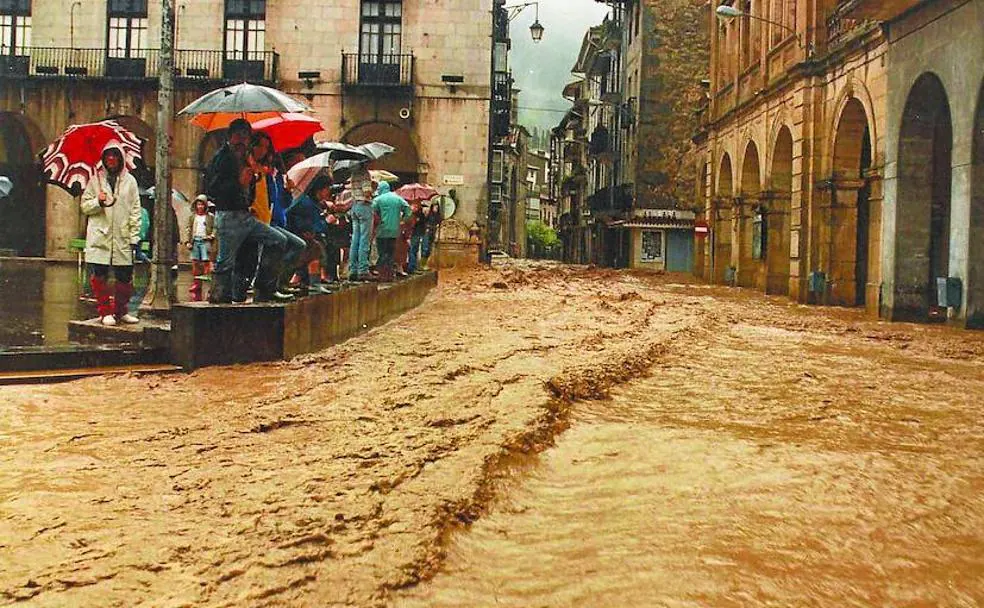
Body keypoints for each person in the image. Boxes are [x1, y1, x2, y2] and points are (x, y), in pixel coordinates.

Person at [206, 118, 292, 304]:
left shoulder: (246, 158)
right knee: (225, 261)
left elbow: (252, 188)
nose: (242, 141)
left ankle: (264, 288)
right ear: (230, 137)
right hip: (228, 215)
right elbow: (212, 189)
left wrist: (250, 180)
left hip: (246, 215)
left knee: (278, 240)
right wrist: (238, 183)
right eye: (238, 136)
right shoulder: (222, 158)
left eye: (245, 137)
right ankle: (219, 295)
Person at [80, 142, 142, 326]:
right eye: (108, 156)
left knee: (124, 276)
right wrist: (97, 202)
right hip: (100, 236)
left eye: (115, 156)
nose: (111, 159)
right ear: (104, 159)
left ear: (121, 159)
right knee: (100, 275)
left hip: (122, 236)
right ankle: (105, 311)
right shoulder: (95, 180)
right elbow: (84, 206)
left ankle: (121, 311)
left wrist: (134, 236)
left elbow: (135, 210)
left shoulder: (130, 181)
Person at [286, 174, 332, 294]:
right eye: (327, 188)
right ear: (320, 189)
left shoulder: (310, 202)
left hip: (304, 233)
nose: (328, 192)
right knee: (315, 249)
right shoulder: (306, 204)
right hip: (300, 234)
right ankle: (313, 283)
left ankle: (307, 281)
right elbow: (308, 224)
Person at [371, 180, 411, 283]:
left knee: (382, 253)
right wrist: (403, 221)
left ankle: (382, 274)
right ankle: (389, 275)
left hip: (382, 230)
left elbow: (372, 212)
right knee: (390, 253)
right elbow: (408, 210)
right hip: (394, 230)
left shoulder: (378, 200)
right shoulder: (398, 198)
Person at [184, 194, 215, 302]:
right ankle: (197, 284)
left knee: (206, 262)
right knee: (195, 262)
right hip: (195, 240)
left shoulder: (210, 217)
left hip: (205, 240)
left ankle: (208, 284)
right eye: (198, 204)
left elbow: (215, 228)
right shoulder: (193, 217)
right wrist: (188, 241)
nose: (200, 207)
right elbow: (189, 229)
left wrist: (211, 236)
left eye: (202, 204)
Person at [348, 162, 374, 281]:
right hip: (364, 206)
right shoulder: (365, 174)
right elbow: (367, 192)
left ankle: (353, 269)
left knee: (355, 239)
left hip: (354, 206)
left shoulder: (354, 174)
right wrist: (372, 188)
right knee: (364, 239)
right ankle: (363, 270)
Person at [407, 200, 428, 273]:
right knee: (412, 250)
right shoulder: (411, 214)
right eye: (414, 206)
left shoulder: (420, 213)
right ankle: (411, 267)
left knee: (415, 250)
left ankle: (414, 266)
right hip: (413, 233)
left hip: (418, 233)